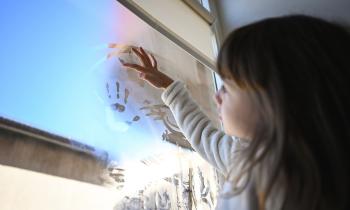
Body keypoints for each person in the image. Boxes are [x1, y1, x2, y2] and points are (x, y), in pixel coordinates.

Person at [121, 15, 350, 210]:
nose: (217, 96)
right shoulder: (245, 154)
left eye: (228, 87)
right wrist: (168, 86)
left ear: (276, 96)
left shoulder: (274, 172)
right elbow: (202, 134)